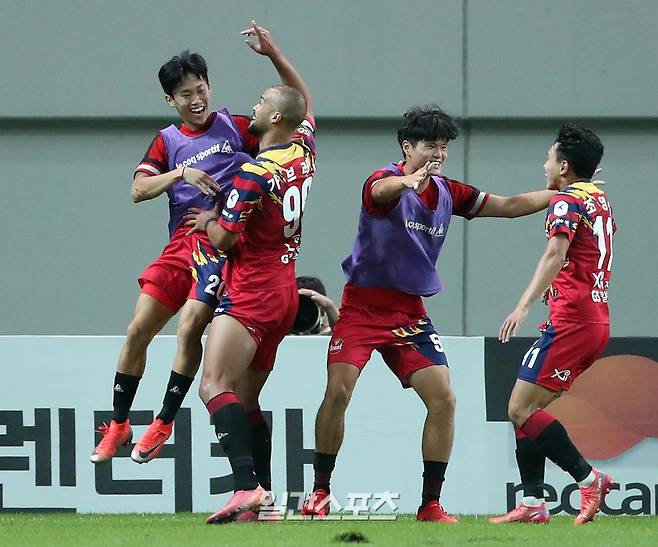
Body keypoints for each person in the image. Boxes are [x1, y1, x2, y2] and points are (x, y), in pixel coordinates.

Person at [302, 105, 557, 523]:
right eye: (429, 146)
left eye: (443, 147)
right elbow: (382, 192)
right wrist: (406, 180)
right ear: (408, 147)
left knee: (444, 400)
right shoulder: (380, 183)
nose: (438, 154)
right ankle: (320, 492)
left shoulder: (448, 192)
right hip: (364, 309)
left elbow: (509, 205)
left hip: (410, 315)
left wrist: (565, 193)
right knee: (339, 393)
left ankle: (430, 504)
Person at [90, 27, 297, 465]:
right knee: (137, 330)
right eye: (185, 94)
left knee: (189, 330)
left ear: (210, 86)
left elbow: (288, 122)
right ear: (171, 101)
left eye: (200, 89)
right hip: (179, 245)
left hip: (221, 247)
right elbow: (138, 190)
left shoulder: (239, 127)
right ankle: (120, 423)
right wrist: (180, 175)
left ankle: (163, 421)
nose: (196, 99)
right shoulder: (168, 140)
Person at [184, 21, 315, 524]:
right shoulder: (302, 152)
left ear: (275, 116)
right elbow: (304, 100)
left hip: (252, 293)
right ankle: (265, 502)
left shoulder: (253, 173)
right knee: (247, 398)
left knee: (213, 385)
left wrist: (210, 218)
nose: (252, 108)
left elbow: (225, 240)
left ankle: (245, 489)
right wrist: (275, 53)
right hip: (285, 291)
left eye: (260, 103)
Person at [490, 124, 614, 525]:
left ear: (563, 166)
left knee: (519, 408)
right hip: (591, 317)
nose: (543, 164)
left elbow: (556, 253)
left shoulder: (566, 202)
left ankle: (589, 478)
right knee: (526, 410)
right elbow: (585, 254)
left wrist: (522, 304)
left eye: (548, 157)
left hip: (573, 321)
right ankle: (532, 503)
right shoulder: (598, 197)